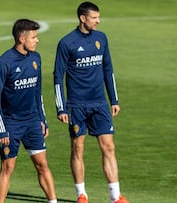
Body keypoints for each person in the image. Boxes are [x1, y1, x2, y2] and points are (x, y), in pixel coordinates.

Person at [53, 2, 129, 203]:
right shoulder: (66, 43)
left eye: (98, 17)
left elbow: (108, 70)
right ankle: (81, 194)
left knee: (109, 147)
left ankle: (115, 196)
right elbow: (57, 77)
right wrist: (61, 107)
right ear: (82, 18)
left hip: (100, 104)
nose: (98, 21)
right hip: (77, 105)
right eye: (94, 17)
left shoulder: (101, 38)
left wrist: (114, 99)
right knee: (78, 148)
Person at [0, 19, 57, 203]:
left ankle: (53, 201)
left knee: (42, 165)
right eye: (33, 37)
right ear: (21, 38)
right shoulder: (5, 62)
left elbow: (37, 92)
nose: (37, 40)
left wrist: (42, 119)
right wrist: (2, 129)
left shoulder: (36, 58)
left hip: (33, 123)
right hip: (11, 125)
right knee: (7, 168)